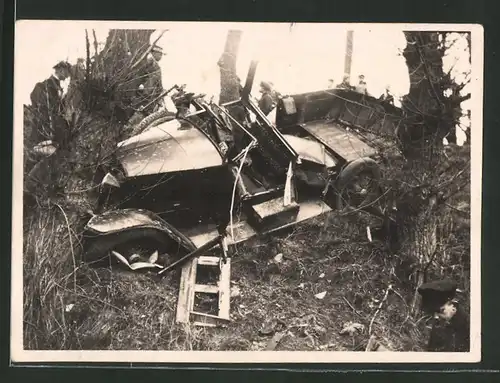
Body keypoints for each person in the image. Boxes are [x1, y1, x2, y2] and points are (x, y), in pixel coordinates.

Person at [29, 61, 72, 149]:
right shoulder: (44, 86)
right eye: (67, 72)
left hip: (53, 128)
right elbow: (42, 106)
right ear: (61, 70)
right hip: (45, 128)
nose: (68, 76)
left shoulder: (56, 86)